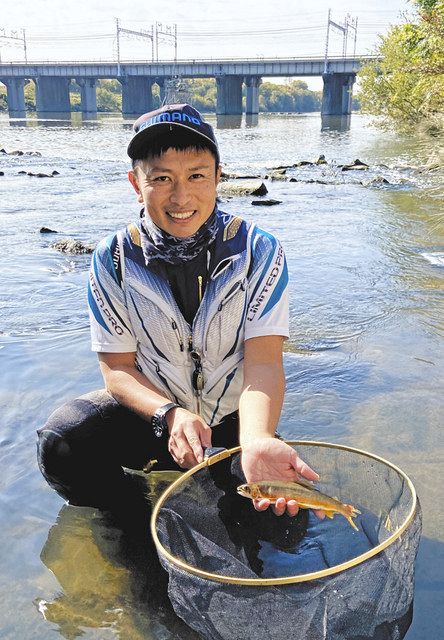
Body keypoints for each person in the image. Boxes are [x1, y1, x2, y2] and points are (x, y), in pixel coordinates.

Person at [37, 103, 320, 518]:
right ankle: (131, 515)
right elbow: (116, 368)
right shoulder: (112, 259)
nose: (181, 196)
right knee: (63, 441)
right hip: (156, 418)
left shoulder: (260, 251)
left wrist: (257, 437)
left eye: (197, 176)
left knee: (280, 530)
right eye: (162, 178)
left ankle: (241, 464)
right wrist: (169, 414)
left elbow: (264, 363)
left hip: (233, 419)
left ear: (219, 177)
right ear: (136, 183)